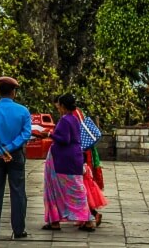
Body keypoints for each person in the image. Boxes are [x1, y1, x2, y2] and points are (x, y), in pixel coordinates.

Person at [0, 75, 32, 240]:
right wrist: (10, 148)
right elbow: (26, 133)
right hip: (15, 154)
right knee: (18, 192)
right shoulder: (23, 111)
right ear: (13, 92)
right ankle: (18, 230)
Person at [42, 94, 95, 232]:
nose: (58, 107)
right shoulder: (74, 119)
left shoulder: (65, 120)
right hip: (74, 158)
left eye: (59, 104)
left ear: (63, 106)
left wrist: (49, 135)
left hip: (63, 160)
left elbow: (64, 139)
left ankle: (56, 221)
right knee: (77, 189)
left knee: (55, 190)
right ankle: (85, 219)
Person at [72, 106, 107, 227]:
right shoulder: (79, 112)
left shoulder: (72, 115)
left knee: (82, 188)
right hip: (86, 153)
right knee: (84, 187)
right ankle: (85, 216)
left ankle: (92, 215)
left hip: (81, 154)